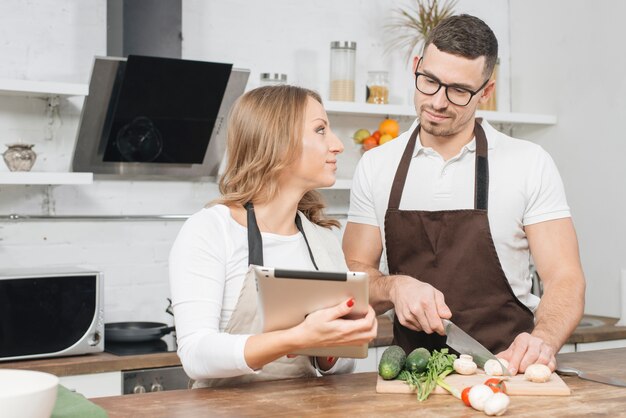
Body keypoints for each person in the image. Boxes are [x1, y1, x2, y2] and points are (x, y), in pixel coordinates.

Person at [342, 14, 585, 375]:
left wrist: (543, 339)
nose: (438, 102)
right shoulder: (377, 166)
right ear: (416, 66)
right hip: (411, 376)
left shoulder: (529, 163)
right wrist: (394, 287)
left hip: (507, 371)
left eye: (458, 90)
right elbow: (353, 275)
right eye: (429, 82)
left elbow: (565, 277)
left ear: (485, 92)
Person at [169, 85, 377, 387]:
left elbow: (339, 366)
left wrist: (337, 341)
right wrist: (296, 338)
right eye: (320, 130)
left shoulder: (323, 240)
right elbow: (196, 355)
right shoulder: (211, 230)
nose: (337, 145)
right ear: (278, 144)